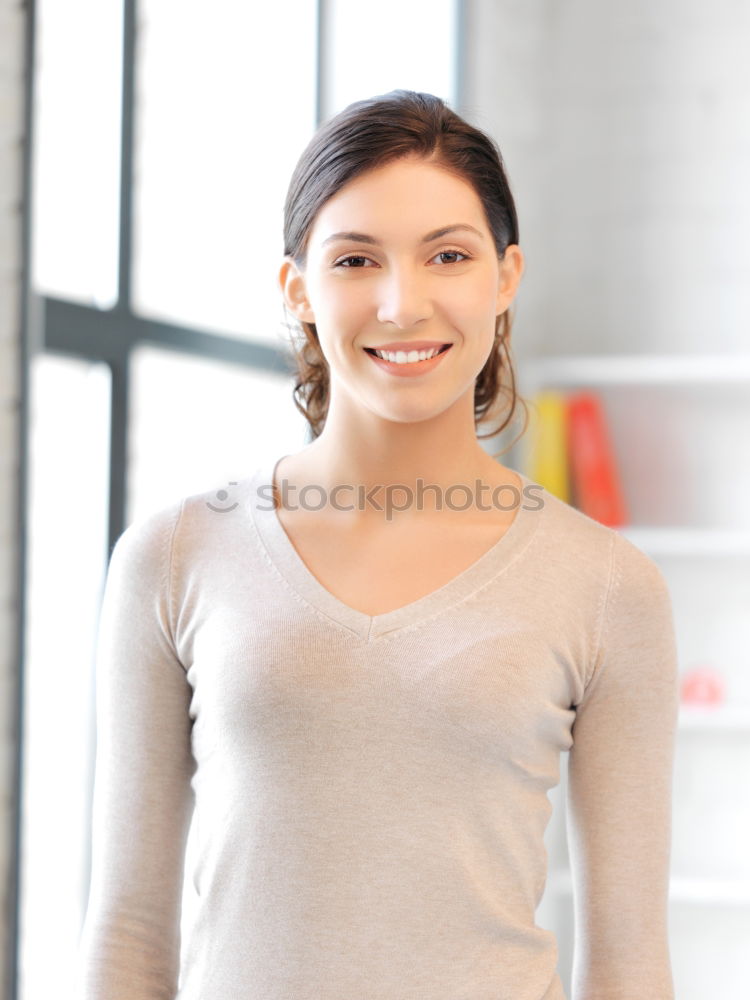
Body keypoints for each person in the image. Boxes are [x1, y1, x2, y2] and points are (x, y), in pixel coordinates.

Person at [74, 90, 679, 1000]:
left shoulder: (608, 586)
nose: (404, 303)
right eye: (356, 259)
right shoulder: (173, 557)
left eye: (448, 255)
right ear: (298, 290)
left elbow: (629, 961)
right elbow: (126, 931)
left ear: (505, 278)